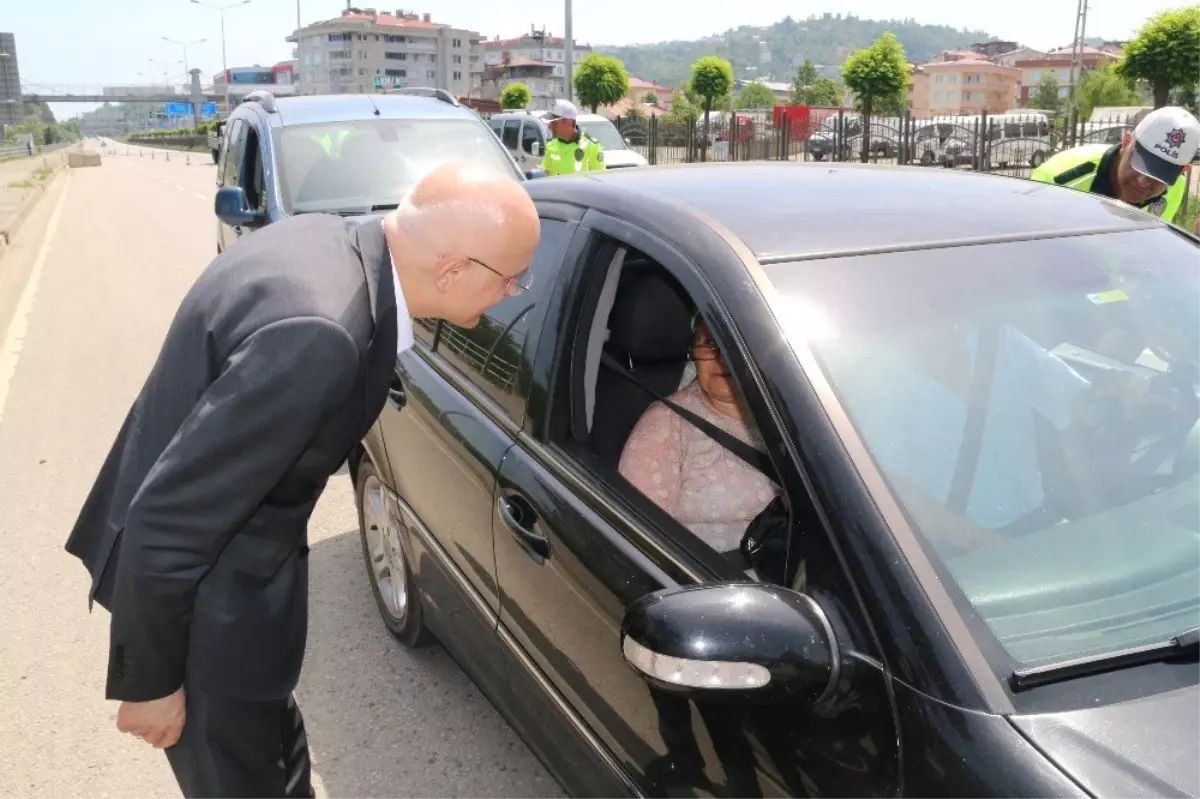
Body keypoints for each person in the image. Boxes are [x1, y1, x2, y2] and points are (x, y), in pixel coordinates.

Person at [64, 161, 540, 799]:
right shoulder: (322, 333)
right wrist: (149, 681)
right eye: (512, 279)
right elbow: (170, 518)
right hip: (204, 619)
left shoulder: (326, 239)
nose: (514, 293)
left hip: (237, 595)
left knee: (279, 767)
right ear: (453, 269)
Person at [619, 317, 778, 553]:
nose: (722, 357)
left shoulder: (789, 418)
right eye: (711, 343)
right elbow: (640, 541)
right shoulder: (665, 425)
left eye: (736, 344)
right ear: (694, 351)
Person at [1031, 106, 1200, 224]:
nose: (1143, 181)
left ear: (1183, 171)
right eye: (1140, 165)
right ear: (1126, 142)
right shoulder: (1058, 177)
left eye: (1158, 175)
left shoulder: (1175, 187)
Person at [540, 99, 607, 176]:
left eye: (554, 123)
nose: (550, 127)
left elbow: (600, 179)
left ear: (568, 122)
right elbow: (546, 174)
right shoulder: (550, 146)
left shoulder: (592, 146)